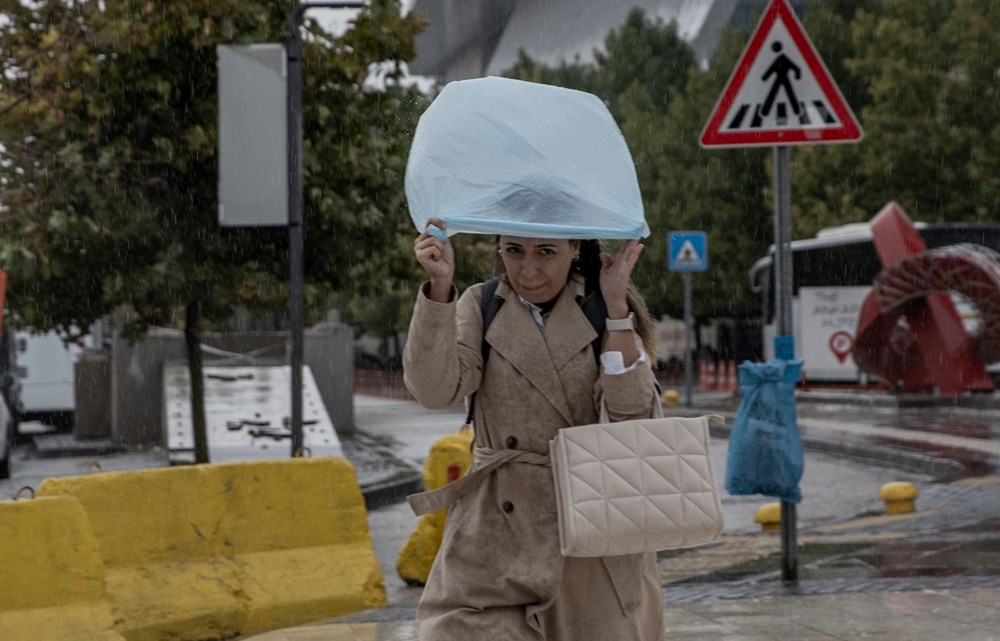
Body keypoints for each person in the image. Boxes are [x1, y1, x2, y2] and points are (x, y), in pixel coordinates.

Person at [403, 216, 664, 641]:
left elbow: (631, 418)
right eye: (514, 250)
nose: (528, 270)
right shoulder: (481, 303)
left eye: (545, 252)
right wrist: (439, 287)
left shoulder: (601, 307)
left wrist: (618, 311)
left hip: (591, 528)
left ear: (575, 250)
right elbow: (434, 391)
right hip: (493, 537)